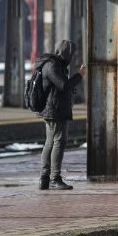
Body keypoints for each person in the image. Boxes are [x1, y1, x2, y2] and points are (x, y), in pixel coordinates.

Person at [38, 40, 83, 190]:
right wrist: (79, 75)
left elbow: (61, 87)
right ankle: (54, 178)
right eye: (71, 53)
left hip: (55, 109)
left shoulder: (57, 65)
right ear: (66, 53)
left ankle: (45, 178)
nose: (72, 57)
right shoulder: (52, 65)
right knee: (59, 142)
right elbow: (63, 85)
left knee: (50, 143)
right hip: (55, 111)